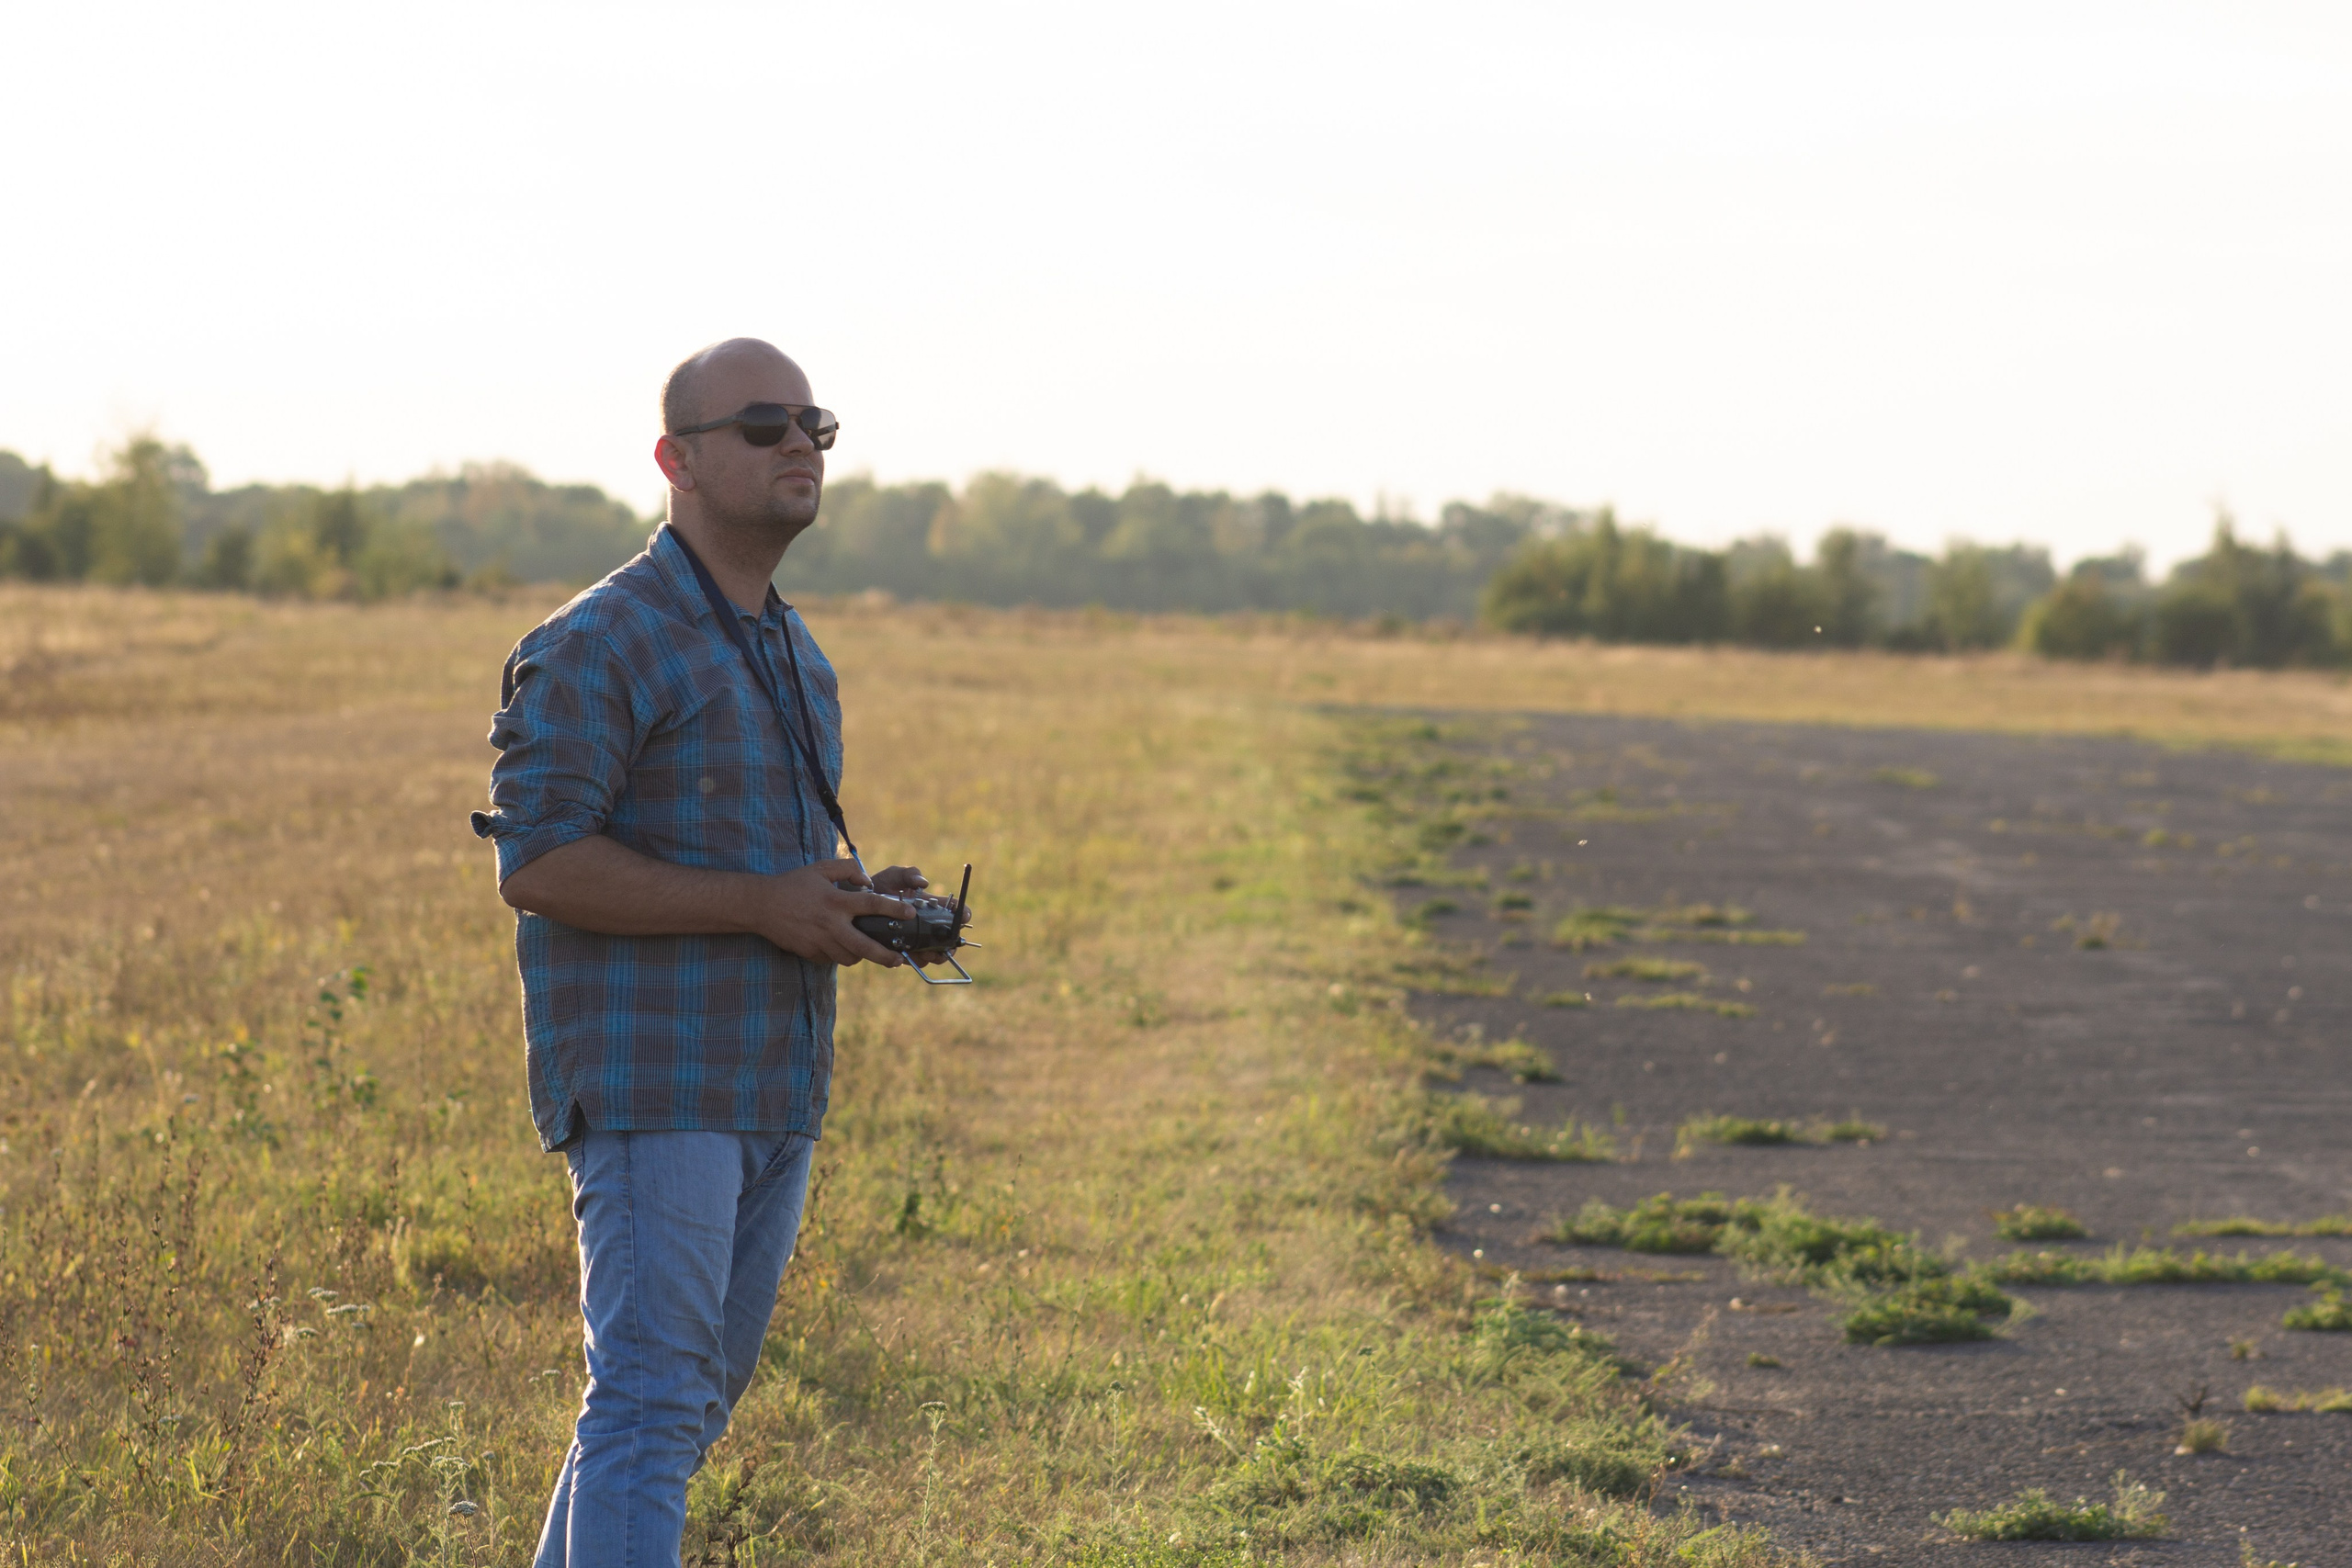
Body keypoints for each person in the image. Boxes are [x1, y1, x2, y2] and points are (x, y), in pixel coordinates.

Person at [471, 338, 933, 1566]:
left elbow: (765, 879)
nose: (799, 446)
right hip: (654, 1083)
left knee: (672, 1413)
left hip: (772, 1083)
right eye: (765, 425)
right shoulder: (599, 641)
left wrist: (848, 904)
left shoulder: (796, 651)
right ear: (676, 460)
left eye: (815, 427)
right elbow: (539, 863)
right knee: (651, 1404)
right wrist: (757, 904)